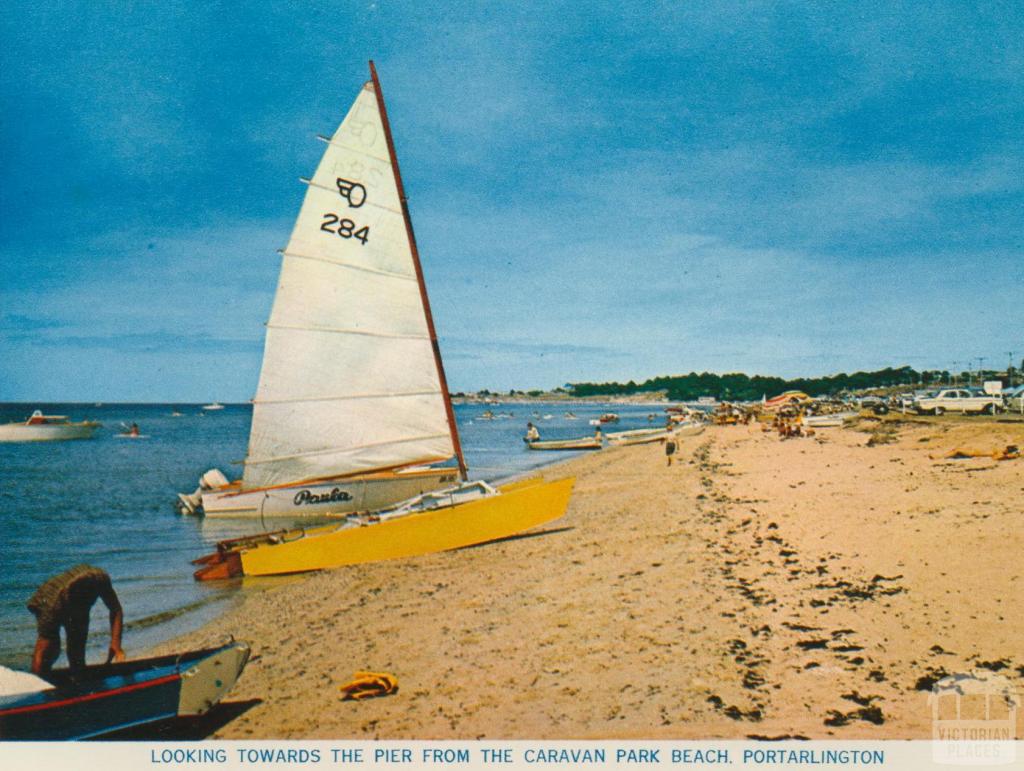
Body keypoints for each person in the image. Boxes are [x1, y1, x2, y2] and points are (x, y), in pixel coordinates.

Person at [27, 564, 125, 674]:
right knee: (49, 647)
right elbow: (44, 645)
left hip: (75, 592)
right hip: (47, 599)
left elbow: (116, 609)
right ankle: (38, 679)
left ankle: (78, 675)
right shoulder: (52, 606)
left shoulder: (100, 580)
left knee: (77, 647)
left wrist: (115, 644)